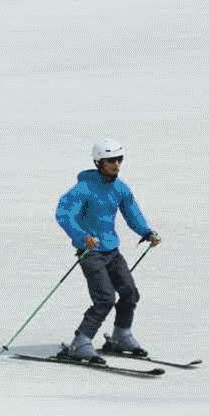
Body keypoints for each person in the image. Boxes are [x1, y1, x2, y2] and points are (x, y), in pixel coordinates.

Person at [55, 138, 161, 363]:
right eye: (111, 160)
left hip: (112, 250)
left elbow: (132, 213)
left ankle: (121, 335)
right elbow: (64, 214)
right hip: (90, 252)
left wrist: (147, 232)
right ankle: (80, 342)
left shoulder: (120, 188)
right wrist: (82, 236)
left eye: (119, 160)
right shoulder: (84, 188)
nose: (116, 165)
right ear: (99, 162)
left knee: (130, 292)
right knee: (104, 298)